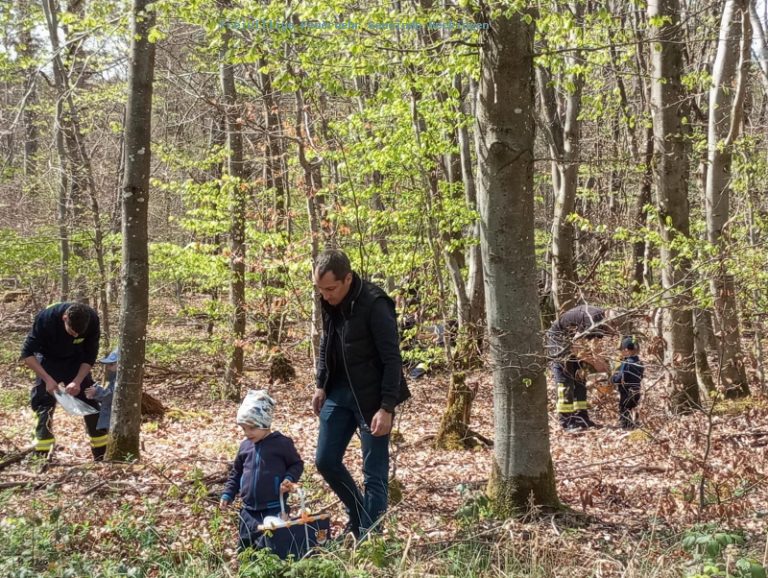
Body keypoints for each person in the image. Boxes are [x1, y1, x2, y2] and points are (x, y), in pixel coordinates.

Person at [312, 249, 411, 540]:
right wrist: (321, 384)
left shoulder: (376, 303)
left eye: (330, 289)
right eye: (320, 289)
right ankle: (358, 519)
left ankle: (370, 540)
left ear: (348, 279)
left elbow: (392, 359)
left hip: (372, 399)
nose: (325, 295)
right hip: (339, 392)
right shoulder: (328, 301)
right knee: (325, 460)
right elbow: (327, 341)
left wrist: (387, 407)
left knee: (374, 474)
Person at [21, 302, 108, 460]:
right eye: (72, 331)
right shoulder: (46, 318)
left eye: (79, 334)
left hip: (75, 361)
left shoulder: (92, 319)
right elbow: (27, 354)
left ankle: (102, 454)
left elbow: (90, 356)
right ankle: (41, 455)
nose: (75, 336)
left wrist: (78, 381)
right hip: (48, 360)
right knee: (44, 403)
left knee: (90, 398)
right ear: (65, 318)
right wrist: (47, 379)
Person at [220, 389, 304, 552]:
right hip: (248, 510)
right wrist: (228, 493)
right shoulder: (245, 447)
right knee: (246, 548)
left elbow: (297, 464)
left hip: (274, 508)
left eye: (252, 428)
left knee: (272, 548)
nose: (247, 433)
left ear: (265, 423)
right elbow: (236, 473)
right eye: (244, 429)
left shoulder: (281, 444)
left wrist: (289, 478)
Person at [546, 304, 610, 431]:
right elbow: (576, 346)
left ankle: (581, 417)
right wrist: (596, 364)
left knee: (580, 378)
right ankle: (566, 421)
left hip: (574, 343)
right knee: (565, 380)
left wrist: (604, 366)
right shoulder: (594, 319)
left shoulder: (601, 322)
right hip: (559, 340)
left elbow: (595, 346)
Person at [611, 336, 644, 429]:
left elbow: (621, 377)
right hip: (636, 389)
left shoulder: (627, 363)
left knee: (624, 407)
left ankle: (626, 425)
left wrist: (613, 379)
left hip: (626, 390)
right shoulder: (639, 362)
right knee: (634, 406)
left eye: (622, 350)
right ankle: (635, 423)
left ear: (626, 350)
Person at [85, 348, 118, 433]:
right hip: (109, 419)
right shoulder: (113, 377)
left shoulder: (123, 380)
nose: (108, 367)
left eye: (111, 364)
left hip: (116, 420)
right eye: (108, 364)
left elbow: (112, 395)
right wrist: (95, 394)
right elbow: (107, 394)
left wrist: (97, 392)